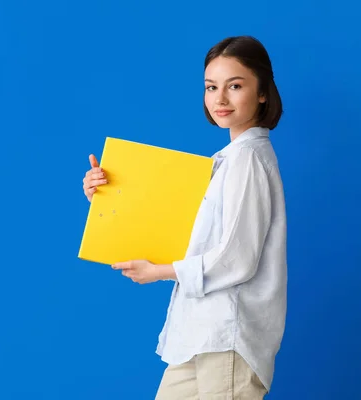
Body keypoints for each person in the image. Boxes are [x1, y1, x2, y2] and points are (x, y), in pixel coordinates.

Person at [82, 36, 287, 399]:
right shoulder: (224, 160)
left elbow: (236, 260)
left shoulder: (247, 161)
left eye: (235, 86)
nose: (220, 99)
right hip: (202, 335)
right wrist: (107, 197)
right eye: (211, 87)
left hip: (228, 337)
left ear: (262, 93)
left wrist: (156, 271)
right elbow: (183, 233)